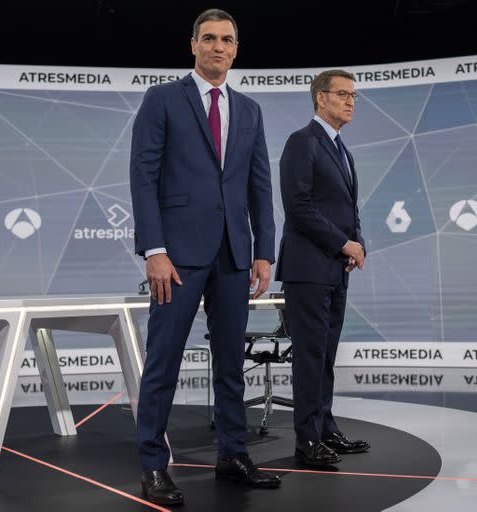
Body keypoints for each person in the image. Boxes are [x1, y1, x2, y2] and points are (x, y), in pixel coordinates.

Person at [130, 7, 281, 506]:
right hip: (177, 256)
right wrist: (154, 250)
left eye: (228, 40)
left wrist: (264, 252)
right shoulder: (162, 100)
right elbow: (143, 175)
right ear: (192, 44)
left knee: (230, 364)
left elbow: (259, 184)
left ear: (236, 49)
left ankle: (233, 454)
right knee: (163, 361)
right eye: (210, 38)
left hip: (235, 254)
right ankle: (153, 465)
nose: (219, 46)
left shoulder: (251, 110)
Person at [276, 69, 371, 467]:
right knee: (310, 355)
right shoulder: (302, 142)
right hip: (309, 268)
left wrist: (357, 243)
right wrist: (343, 243)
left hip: (335, 268)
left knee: (326, 354)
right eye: (343, 94)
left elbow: (347, 209)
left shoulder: (342, 150)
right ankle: (307, 440)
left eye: (354, 96)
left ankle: (326, 428)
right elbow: (298, 207)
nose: (350, 101)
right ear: (320, 98)